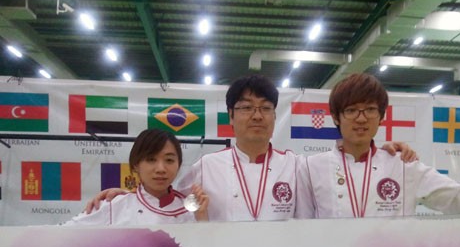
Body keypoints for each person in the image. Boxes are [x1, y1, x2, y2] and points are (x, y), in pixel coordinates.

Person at [86, 75, 417, 221]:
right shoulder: (207, 167)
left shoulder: (297, 165)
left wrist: (382, 148)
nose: (256, 115)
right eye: (246, 108)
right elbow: (173, 200)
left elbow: (340, 172)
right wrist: (129, 195)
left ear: (274, 115)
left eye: (265, 108)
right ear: (231, 116)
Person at [295, 73, 460, 218]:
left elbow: (459, 197)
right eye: (351, 110)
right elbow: (301, 227)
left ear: (381, 116)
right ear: (336, 117)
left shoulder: (402, 165)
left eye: (370, 110)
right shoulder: (311, 167)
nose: (361, 119)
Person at [65, 129, 208, 225]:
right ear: (135, 165)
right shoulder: (113, 206)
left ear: (179, 165)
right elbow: (62, 235)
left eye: (169, 160)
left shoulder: (192, 211)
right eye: (151, 160)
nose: (161, 169)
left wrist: (202, 221)